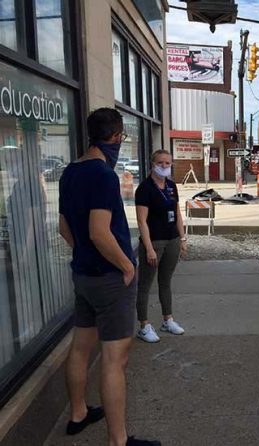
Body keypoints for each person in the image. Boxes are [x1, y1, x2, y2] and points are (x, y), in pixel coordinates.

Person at [59, 108, 160, 446]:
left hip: (84, 275)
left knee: (81, 347)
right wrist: (127, 266)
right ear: (116, 137)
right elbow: (100, 233)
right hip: (109, 278)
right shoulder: (103, 176)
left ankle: (78, 414)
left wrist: (84, 253)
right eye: (122, 138)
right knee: (115, 359)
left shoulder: (70, 172)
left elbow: (65, 227)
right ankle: (119, 441)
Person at [135, 150, 187, 343]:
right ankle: (144, 325)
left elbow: (178, 214)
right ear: (152, 163)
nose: (164, 166)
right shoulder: (144, 189)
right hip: (154, 242)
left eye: (168, 163)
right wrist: (148, 248)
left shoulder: (172, 186)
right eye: (160, 162)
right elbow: (142, 221)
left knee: (165, 281)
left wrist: (182, 239)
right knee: (145, 285)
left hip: (172, 239)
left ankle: (168, 320)